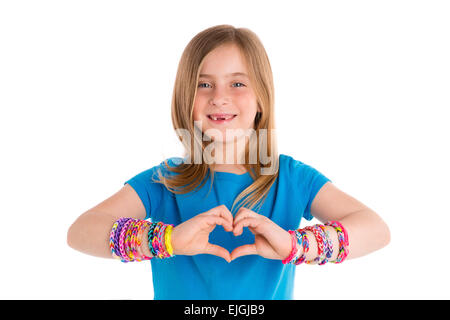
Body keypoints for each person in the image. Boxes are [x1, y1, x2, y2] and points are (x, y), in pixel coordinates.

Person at [67, 24, 390, 300]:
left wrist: (295, 244)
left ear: (261, 97)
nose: (219, 97)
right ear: (186, 99)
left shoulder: (292, 178)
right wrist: (167, 239)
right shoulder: (164, 180)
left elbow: (376, 230)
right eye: (204, 84)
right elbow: (81, 232)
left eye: (238, 83)